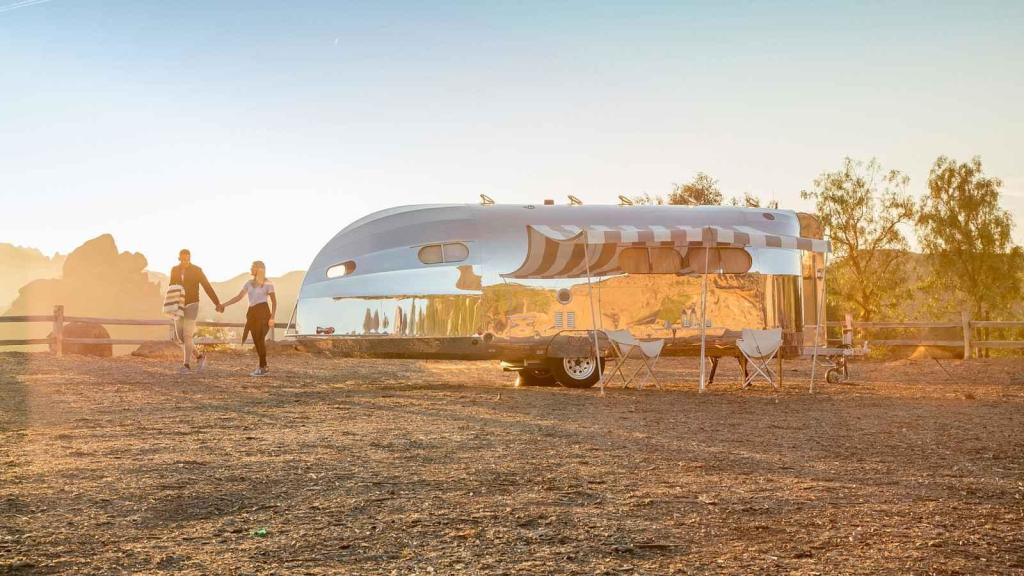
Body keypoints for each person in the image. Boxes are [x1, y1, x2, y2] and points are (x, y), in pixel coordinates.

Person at [218, 261, 276, 376]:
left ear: (259, 269)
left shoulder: (268, 283)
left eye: (253, 267)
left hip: (263, 312)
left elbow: (274, 302)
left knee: (260, 339)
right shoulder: (248, 283)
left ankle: (262, 367)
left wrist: (272, 317)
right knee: (256, 340)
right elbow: (239, 297)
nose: (251, 268)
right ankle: (263, 366)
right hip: (252, 313)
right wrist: (224, 304)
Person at [170, 249, 222, 374]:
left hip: (192, 304)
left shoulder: (197, 270)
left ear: (190, 258)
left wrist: (217, 303)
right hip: (178, 305)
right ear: (179, 259)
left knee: (188, 335)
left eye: (187, 259)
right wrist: (170, 305)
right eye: (183, 259)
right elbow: (171, 288)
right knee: (180, 337)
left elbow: (207, 286)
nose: (185, 261)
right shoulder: (174, 270)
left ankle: (186, 365)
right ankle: (200, 357)